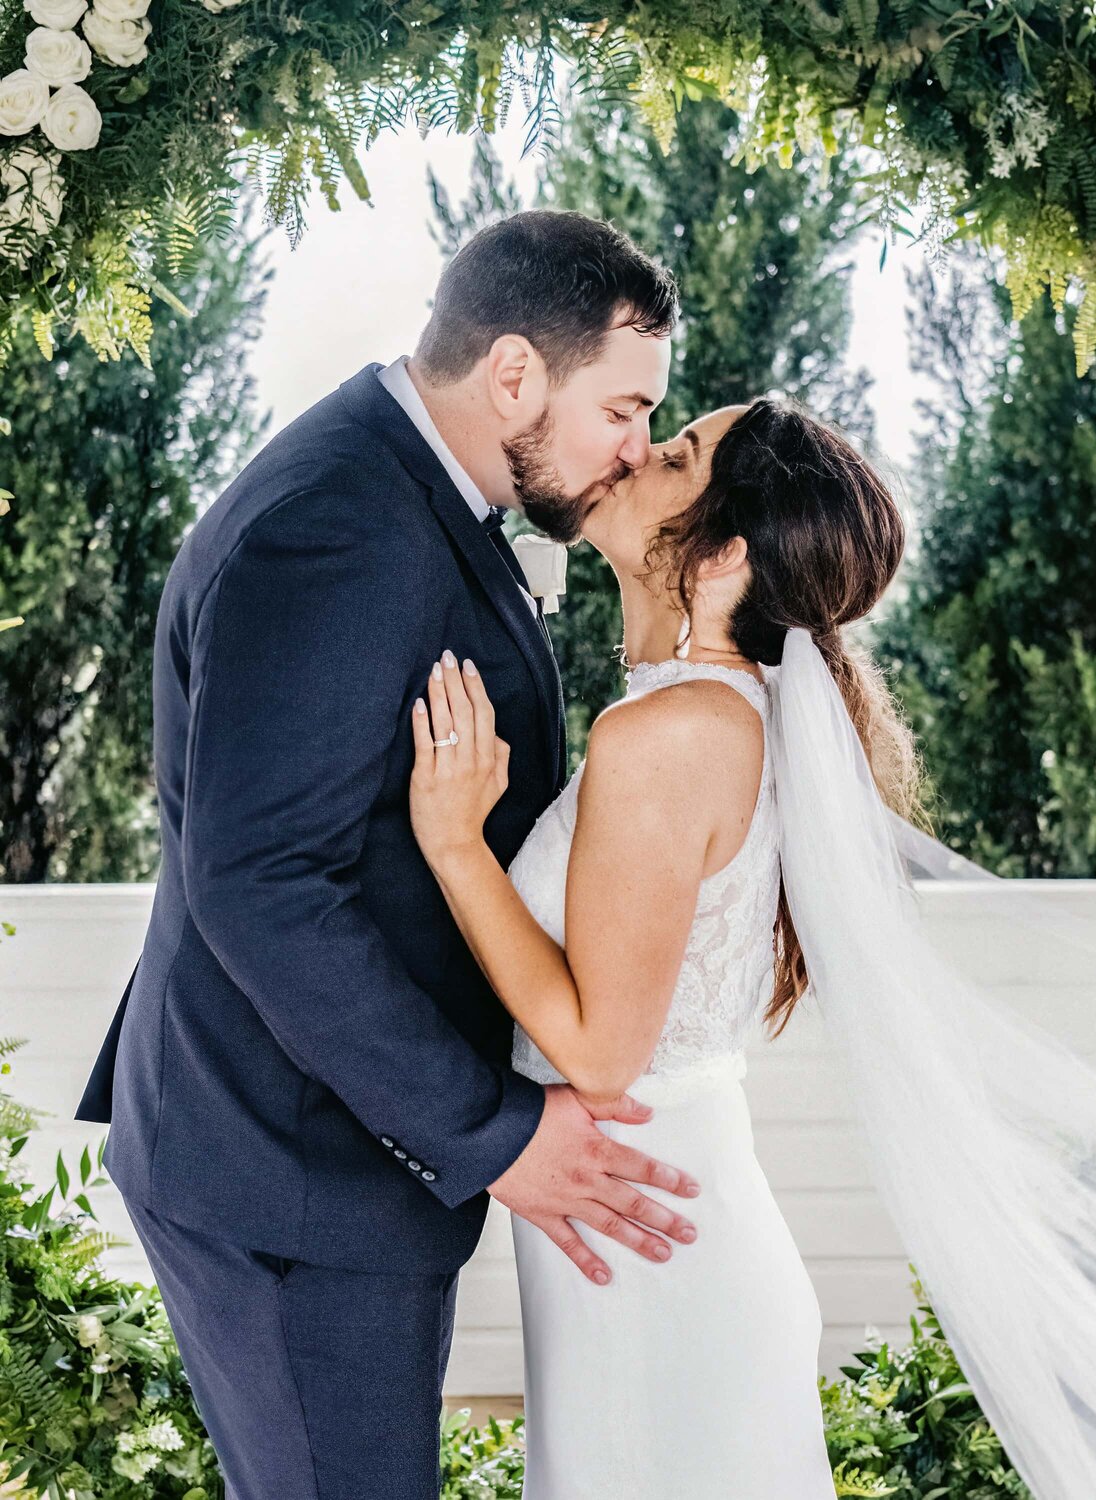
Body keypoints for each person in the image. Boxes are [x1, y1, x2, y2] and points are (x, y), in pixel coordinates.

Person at [409, 395, 1096, 1499]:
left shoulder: (670, 733)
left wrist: (456, 849)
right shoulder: (713, 714)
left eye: (677, 453)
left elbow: (599, 1052)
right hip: (652, 1237)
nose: (639, 450)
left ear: (725, 554)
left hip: (655, 1266)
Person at [72, 210, 707, 1500]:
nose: (635, 449)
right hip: (292, 1173)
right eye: (625, 408)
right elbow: (261, 884)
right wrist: (496, 1135)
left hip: (327, 1151)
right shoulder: (342, 522)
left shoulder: (413, 485)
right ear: (516, 373)